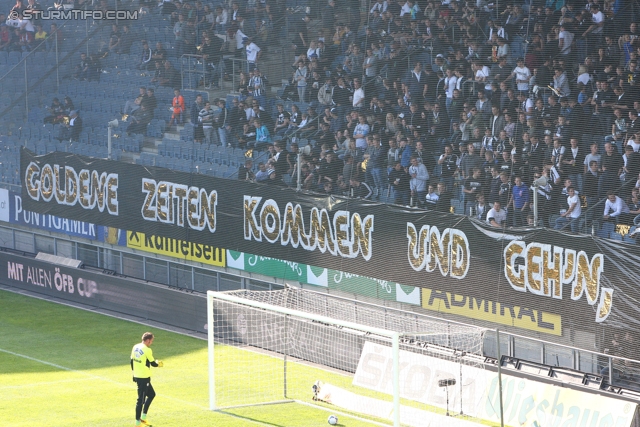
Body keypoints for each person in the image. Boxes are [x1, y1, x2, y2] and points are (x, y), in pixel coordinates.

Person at [131, 332, 163, 427]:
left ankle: (143, 418)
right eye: (151, 341)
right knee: (140, 400)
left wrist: (134, 373)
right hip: (144, 377)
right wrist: (159, 364)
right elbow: (153, 363)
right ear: (148, 340)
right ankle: (137, 423)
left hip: (138, 375)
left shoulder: (135, 347)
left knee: (152, 394)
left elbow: (131, 361)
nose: (151, 343)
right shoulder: (147, 350)